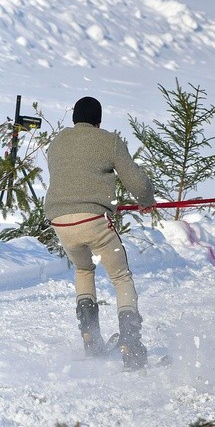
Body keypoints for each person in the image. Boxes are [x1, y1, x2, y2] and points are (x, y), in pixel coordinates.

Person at [45, 96, 156, 369]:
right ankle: (131, 342)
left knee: (84, 271)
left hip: (60, 223)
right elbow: (137, 181)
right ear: (99, 121)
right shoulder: (110, 141)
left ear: (74, 119)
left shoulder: (57, 143)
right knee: (120, 276)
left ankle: (90, 338)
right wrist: (146, 201)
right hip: (94, 220)